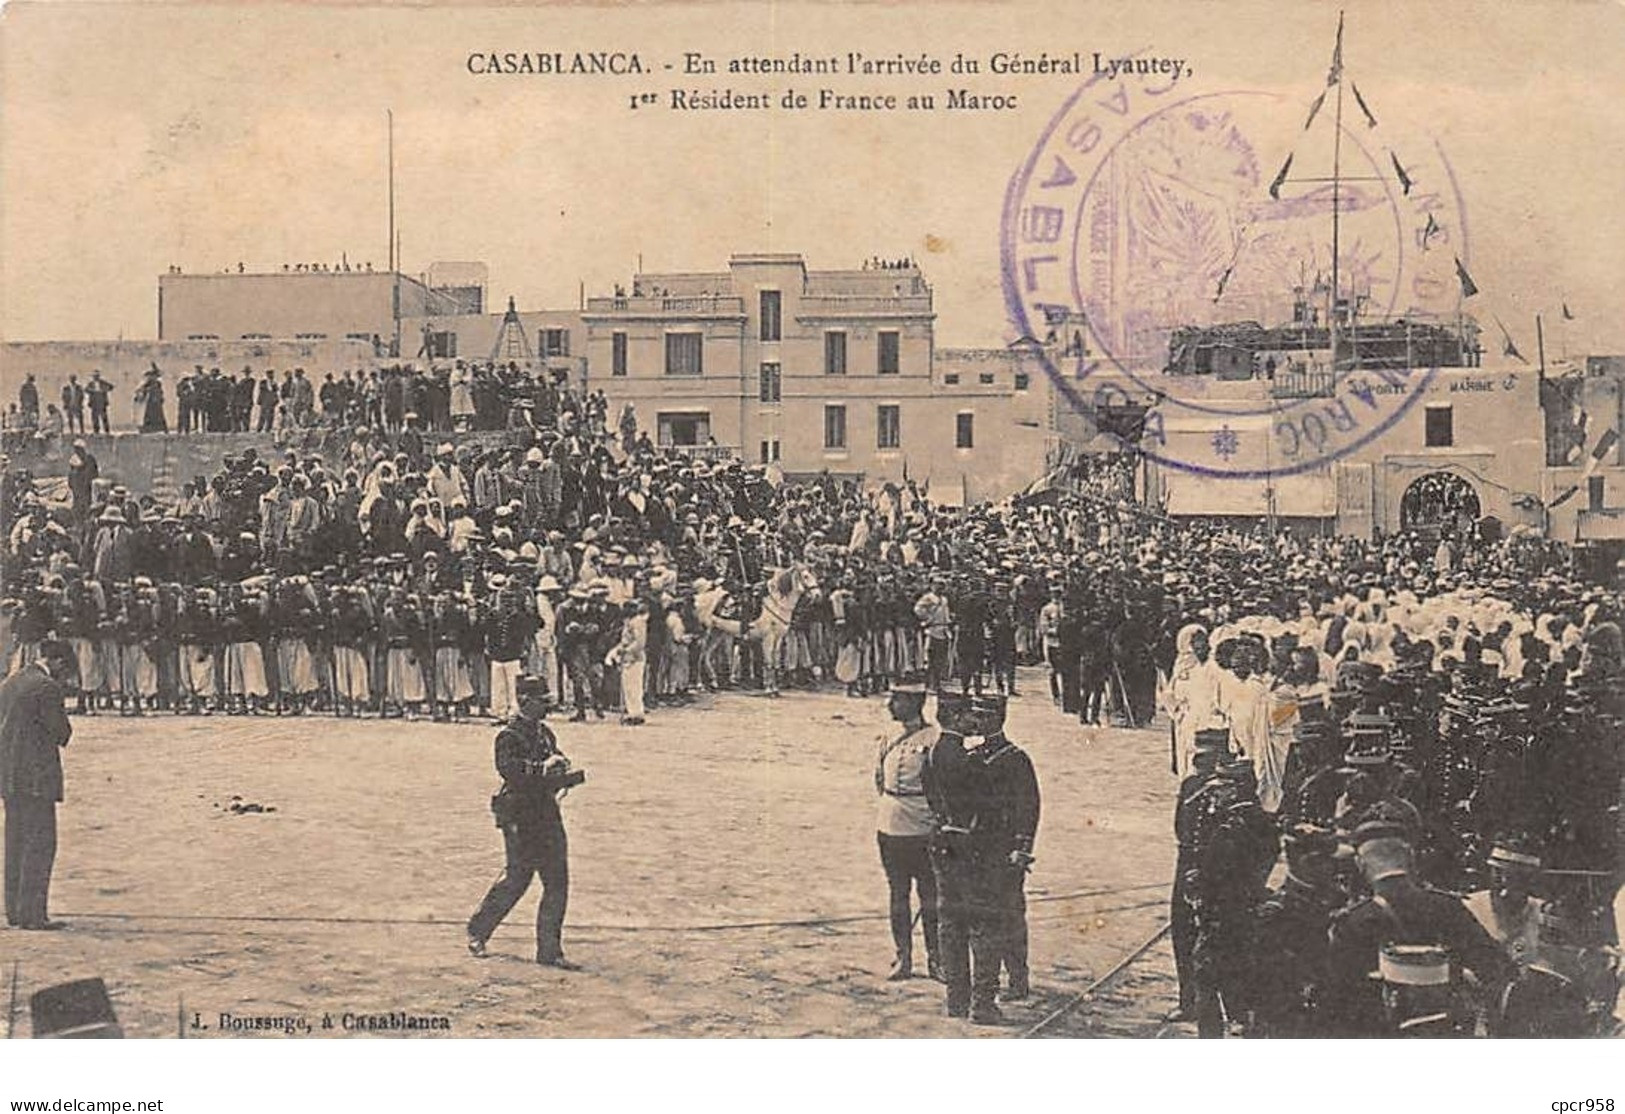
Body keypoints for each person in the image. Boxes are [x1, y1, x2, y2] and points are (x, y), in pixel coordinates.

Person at [466, 675, 581, 968]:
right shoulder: (508, 736)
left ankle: (550, 951)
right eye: (541, 702)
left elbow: (554, 756)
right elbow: (509, 770)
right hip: (519, 815)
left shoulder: (544, 733)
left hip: (546, 812)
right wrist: (542, 769)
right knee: (517, 878)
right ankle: (479, 929)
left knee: (557, 881)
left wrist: (561, 765)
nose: (546, 707)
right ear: (525, 701)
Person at [966, 691, 1039, 1006]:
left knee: (1010, 915)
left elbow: (1029, 807)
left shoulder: (1015, 759)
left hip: (1005, 850)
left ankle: (1018, 978)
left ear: (997, 719)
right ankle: (988, 978)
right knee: (983, 915)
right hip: (978, 848)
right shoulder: (974, 755)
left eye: (983, 717)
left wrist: (1022, 848)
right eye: (976, 716)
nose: (977, 721)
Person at [0, 640, 75, 930]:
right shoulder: (47, 687)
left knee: (15, 840)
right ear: (58, 662)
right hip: (36, 778)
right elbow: (62, 733)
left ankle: (15, 911)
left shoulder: (12, 681)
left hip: (10, 775)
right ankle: (33, 914)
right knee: (40, 843)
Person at [874, 677, 941, 982]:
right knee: (897, 894)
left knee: (930, 896)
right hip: (890, 826)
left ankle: (936, 959)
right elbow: (878, 780)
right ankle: (903, 956)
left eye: (896, 700)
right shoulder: (887, 737)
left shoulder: (933, 740)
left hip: (923, 827)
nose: (890, 705)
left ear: (914, 704)